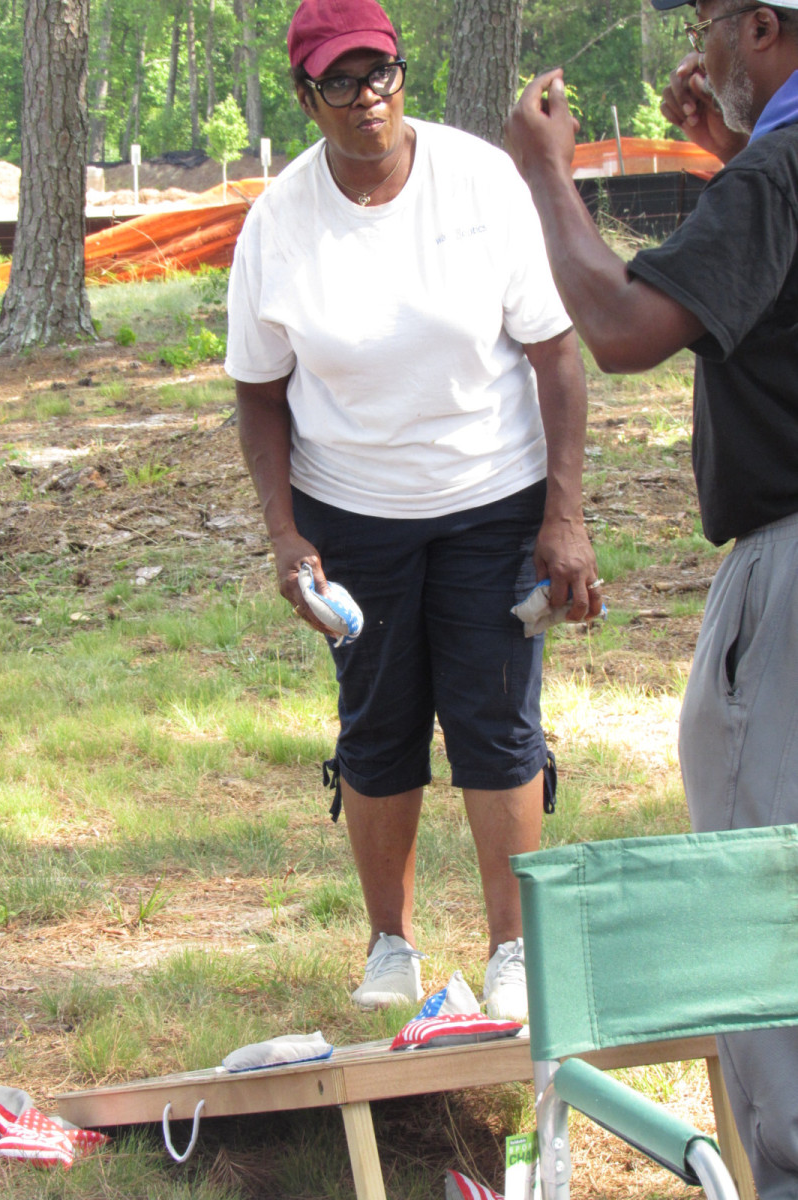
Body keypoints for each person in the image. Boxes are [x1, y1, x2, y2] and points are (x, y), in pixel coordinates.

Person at [225, 0, 601, 1019]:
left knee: (496, 719)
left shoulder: (479, 181)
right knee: (378, 726)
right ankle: (389, 947)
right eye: (340, 82)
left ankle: (513, 951)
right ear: (307, 97)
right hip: (352, 513)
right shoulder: (279, 221)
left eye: (380, 72)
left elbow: (555, 352)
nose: (368, 99)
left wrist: (564, 515)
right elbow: (258, 392)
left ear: (402, 73)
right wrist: (285, 534)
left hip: (494, 499)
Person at [506, 2, 798, 1194]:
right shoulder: (771, 167)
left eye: (705, 22)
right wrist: (733, 157)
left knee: (764, 878)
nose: (697, 53)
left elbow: (625, 329)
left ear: (762, 28)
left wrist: (546, 174)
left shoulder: (782, 169)